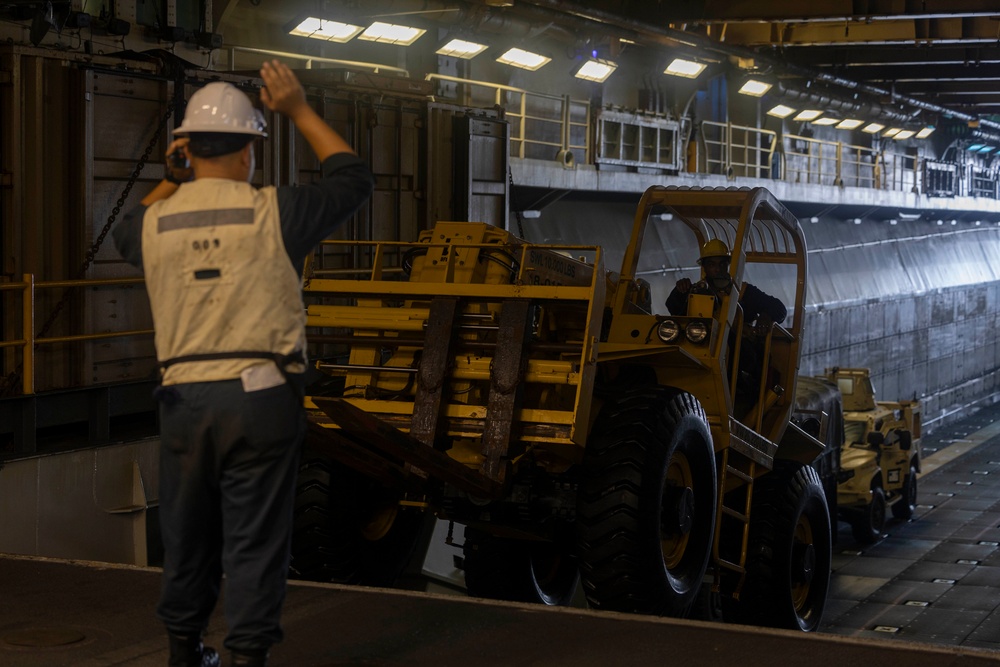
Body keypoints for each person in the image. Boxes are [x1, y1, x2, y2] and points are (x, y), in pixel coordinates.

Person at [113, 60, 374, 667]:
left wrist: (170, 179)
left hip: (183, 401)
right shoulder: (274, 212)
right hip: (261, 399)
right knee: (255, 538)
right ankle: (247, 658)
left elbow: (127, 225)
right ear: (249, 151)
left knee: (187, 533)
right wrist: (299, 108)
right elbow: (353, 179)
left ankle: (184, 652)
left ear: (185, 150)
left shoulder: (153, 225)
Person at [666, 239, 787, 403]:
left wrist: (766, 316)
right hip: (702, 348)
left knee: (746, 357)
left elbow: (779, 308)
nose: (717, 269)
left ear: (728, 266)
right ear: (704, 267)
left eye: (722, 264)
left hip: (739, 353)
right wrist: (679, 291)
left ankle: (742, 395)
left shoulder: (744, 292)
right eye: (712, 264)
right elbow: (673, 307)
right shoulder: (695, 291)